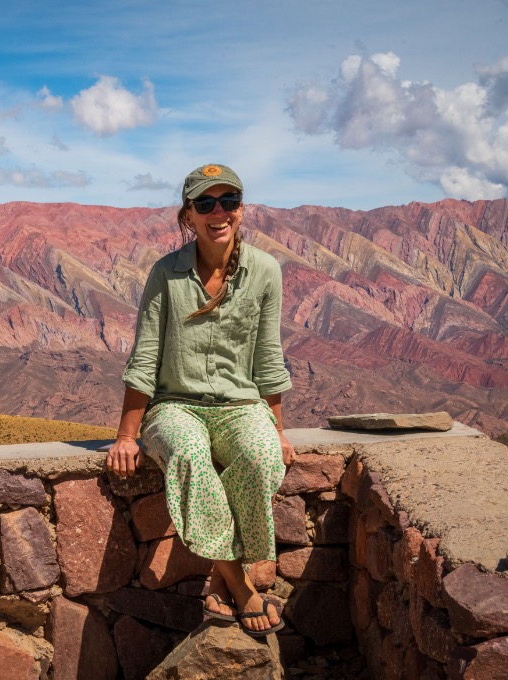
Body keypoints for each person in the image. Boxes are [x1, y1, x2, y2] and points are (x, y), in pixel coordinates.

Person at [106, 163, 295, 638]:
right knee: (189, 454)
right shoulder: (165, 274)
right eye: (206, 203)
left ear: (241, 209)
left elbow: (269, 357)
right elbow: (145, 356)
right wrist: (127, 435)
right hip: (175, 407)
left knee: (260, 456)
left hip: (240, 407)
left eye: (228, 201)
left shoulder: (265, 270)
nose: (219, 212)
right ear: (187, 214)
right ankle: (240, 581)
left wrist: (275, 429)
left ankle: (218, 574)